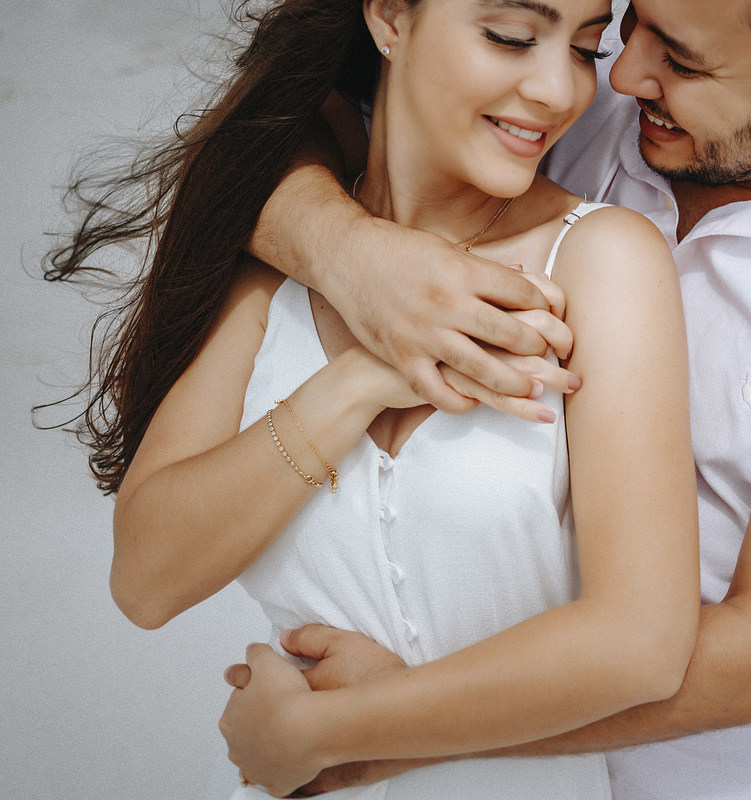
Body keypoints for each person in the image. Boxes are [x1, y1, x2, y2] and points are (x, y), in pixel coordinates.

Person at [220, 0, 751, 798]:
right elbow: (282, 120)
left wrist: (380, 727)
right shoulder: (574, 83)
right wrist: (345, 248)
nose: (625, 70)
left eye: (681, 59)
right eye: (629, 25)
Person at [45, 0, 701, 797]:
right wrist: (360, 378)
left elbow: (640, 644)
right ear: (391, 17)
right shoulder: (281, 257)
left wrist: (323, 730)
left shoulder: (601, 262)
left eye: (585, 48)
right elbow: (145, 580)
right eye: (512, 37)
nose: (558, 89)